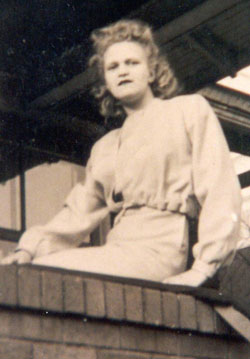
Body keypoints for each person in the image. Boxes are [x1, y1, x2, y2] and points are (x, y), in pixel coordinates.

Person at [1, 20, 242, 286]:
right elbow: (78, 212)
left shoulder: (188, 111)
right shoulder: (105, 147)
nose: (122, 71)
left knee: (42, 274)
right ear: (106, 81)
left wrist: (204, 267)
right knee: (33, 269)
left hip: (161, 248)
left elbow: (220, 188)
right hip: (118, 247)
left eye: (132, 63)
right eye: (113, 67)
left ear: (151, 72)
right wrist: (28, 248)